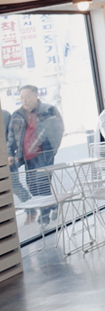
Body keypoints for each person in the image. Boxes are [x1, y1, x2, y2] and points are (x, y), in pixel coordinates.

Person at [6, 86, 65, 224]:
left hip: (43, 156)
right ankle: (54, 205)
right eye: (21, 98)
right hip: (27, 158)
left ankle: (43, 218)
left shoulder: (48, 110)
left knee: (42, 186)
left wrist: (52, 149)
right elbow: (11, 137)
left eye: (27, 97)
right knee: (32, 187)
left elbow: (59, 129)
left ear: (36, 95)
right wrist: (10, 154)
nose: (24, 100)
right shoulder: (17, 114)